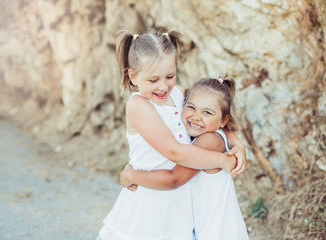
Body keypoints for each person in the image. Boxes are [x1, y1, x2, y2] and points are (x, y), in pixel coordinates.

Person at [98, 30, 246, 240]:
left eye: (170, 76)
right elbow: (174, 151)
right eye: (153, 80)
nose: (163, 86)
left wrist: (237, 144)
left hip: (176, 208)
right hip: (147, 205)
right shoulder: (138, 105)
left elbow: (214, 123)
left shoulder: (179, 93)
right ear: (133, 76)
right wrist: (222, 159)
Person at [120, 76, 249, 240]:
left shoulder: (209, 141)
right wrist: (238, 144)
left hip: (218, 231)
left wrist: (130, 175)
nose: (196, 117)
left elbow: (174, 179)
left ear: (223, 120)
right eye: (191, 107)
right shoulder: (204, 135)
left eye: (207, 112)